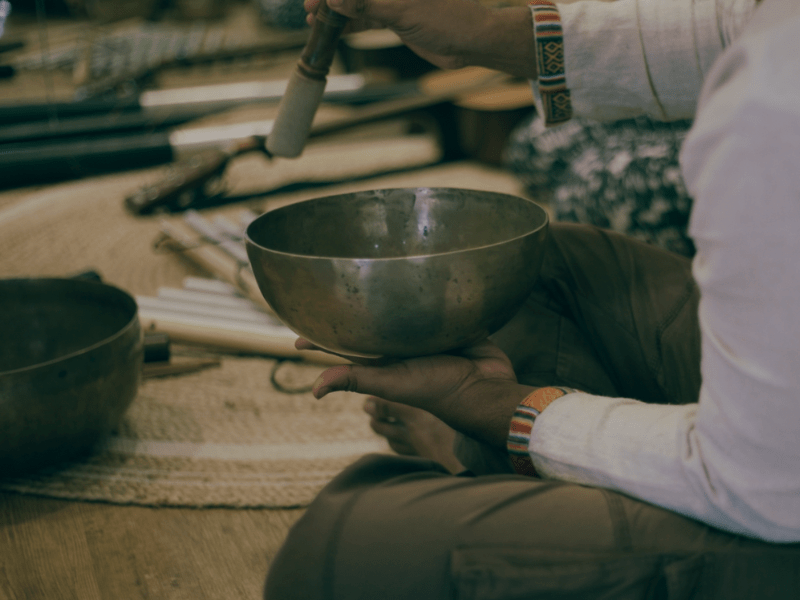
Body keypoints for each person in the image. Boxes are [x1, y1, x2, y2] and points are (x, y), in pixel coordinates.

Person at [265, 0, 800, 598]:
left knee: (338, 550)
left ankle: (507, 471)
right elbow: (743, 22)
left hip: (773, 494)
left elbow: (761, 483)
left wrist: (506, 411)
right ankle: (536, 488)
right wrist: (489, 34)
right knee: (536, 273)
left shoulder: (771, 111)